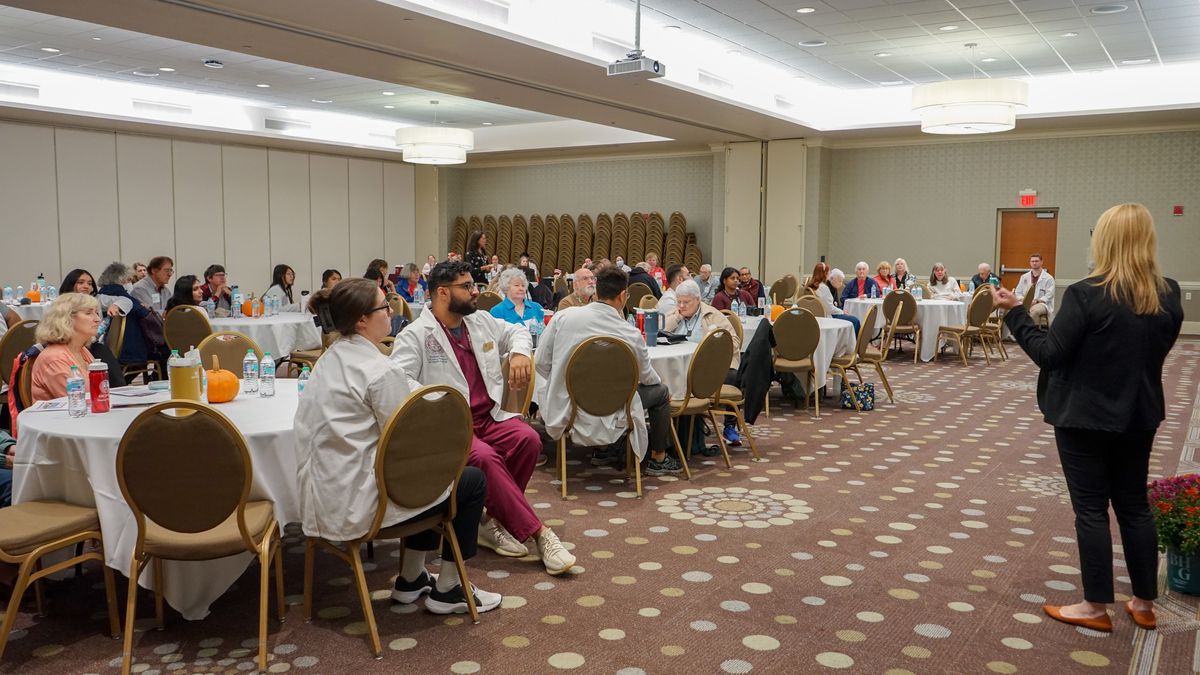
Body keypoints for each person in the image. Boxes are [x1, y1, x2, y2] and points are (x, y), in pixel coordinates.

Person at [994, 203, 1183, 633]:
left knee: (1092, 511)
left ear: (1105, 241)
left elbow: (1049, 355)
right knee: (1135, 507)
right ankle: (1143, 602)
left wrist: (1014, 312)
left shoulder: (1086, 293)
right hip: (1139, 414)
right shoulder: (1168, 294)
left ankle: (1095, 607)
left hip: (1083, 418)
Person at [295, 278, 501, 614]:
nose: (391, 311)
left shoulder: (330, 359)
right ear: (362, 319)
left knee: (427, 474)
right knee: (468, 479)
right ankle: (449, 588)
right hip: (360, 503)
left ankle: (411, 577)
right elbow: (409, 438)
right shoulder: (377, 370)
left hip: (324, 493)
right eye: (383, 307)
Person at [392, 260, 576, 575]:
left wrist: (519, 352)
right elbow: (398, 380)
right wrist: (439, 402)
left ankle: (489, 520)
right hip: (450, 426)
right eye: (466, 287)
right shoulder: (416, 335)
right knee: (486, 459)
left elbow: (517, 331)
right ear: (442, 293)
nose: (475, 291)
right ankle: (540, 535)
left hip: (488, 417)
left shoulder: (478, 321)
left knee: (528, 440)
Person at [538, 265, 682, 475]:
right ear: (623, 295)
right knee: (660, 391)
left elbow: (541, 363)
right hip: (615, 411)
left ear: (596, 292)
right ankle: (658, 458)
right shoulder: (630, 334)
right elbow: (647, 377)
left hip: (569, 409)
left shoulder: (563, 318)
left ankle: (603, 450)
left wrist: (562, 380)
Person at [663, 279, 745, 446]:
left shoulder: (713, 315)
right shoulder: (674, 313)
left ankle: (729, 425)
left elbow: (734, 342)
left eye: (686, 302)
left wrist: (717, 343)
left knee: (733, 376)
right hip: (680, 366)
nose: (681, 305)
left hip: (709, 367)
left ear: (698, 299)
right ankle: (672, 434)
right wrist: (677, 318)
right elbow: (659, 332)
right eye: (678, 301)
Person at [58, 269, 128, 388]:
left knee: (103, 354)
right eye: (81, 282)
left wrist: (116, 305)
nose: (86, 286)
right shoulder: (62, 304)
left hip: (91, 345)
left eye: (89, 283)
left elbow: (126, 300)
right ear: (71, 284)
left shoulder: (98, 299)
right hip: (69, 346)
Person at [29, 293, 101, 402]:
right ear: (67, 318)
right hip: (61, 417)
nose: (97, 319)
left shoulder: (81, 350)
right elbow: (78, 402)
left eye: (96, 313)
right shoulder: (54, 358)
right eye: (88, 313)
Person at [98, 262, 159, 372]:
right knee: (163, 350)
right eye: (129, 280)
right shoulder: (122, 295)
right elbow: (144, 313)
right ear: (122, 280)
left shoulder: (102, 294)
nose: (130, 283)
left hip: (113, 346)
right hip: (130, 349)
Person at [807, 263, 860, 333]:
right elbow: (830, 309)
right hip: (826, 316)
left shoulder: (810, 286)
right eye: (828, 272)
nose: (829, 274)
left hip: (815, 316)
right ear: (824, 274)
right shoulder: (823, 288)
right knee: (855, 321)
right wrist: (842, 312)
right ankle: (850, 343)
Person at [1014, 253, 1056, 324]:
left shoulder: (1048, 278)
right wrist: (1023, 299)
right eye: (1032, 261)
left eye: (1036, 261)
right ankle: (1017, 332)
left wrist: (1036, 301)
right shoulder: (1024, 277)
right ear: (1030, 263)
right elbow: (1018, 292)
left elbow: (1049, 295)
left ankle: (1032, 332)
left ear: (1041, 262)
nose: (1034, 263)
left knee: (1033, 311)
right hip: (1025, 302)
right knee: (1014, 310)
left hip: (1042, 304)